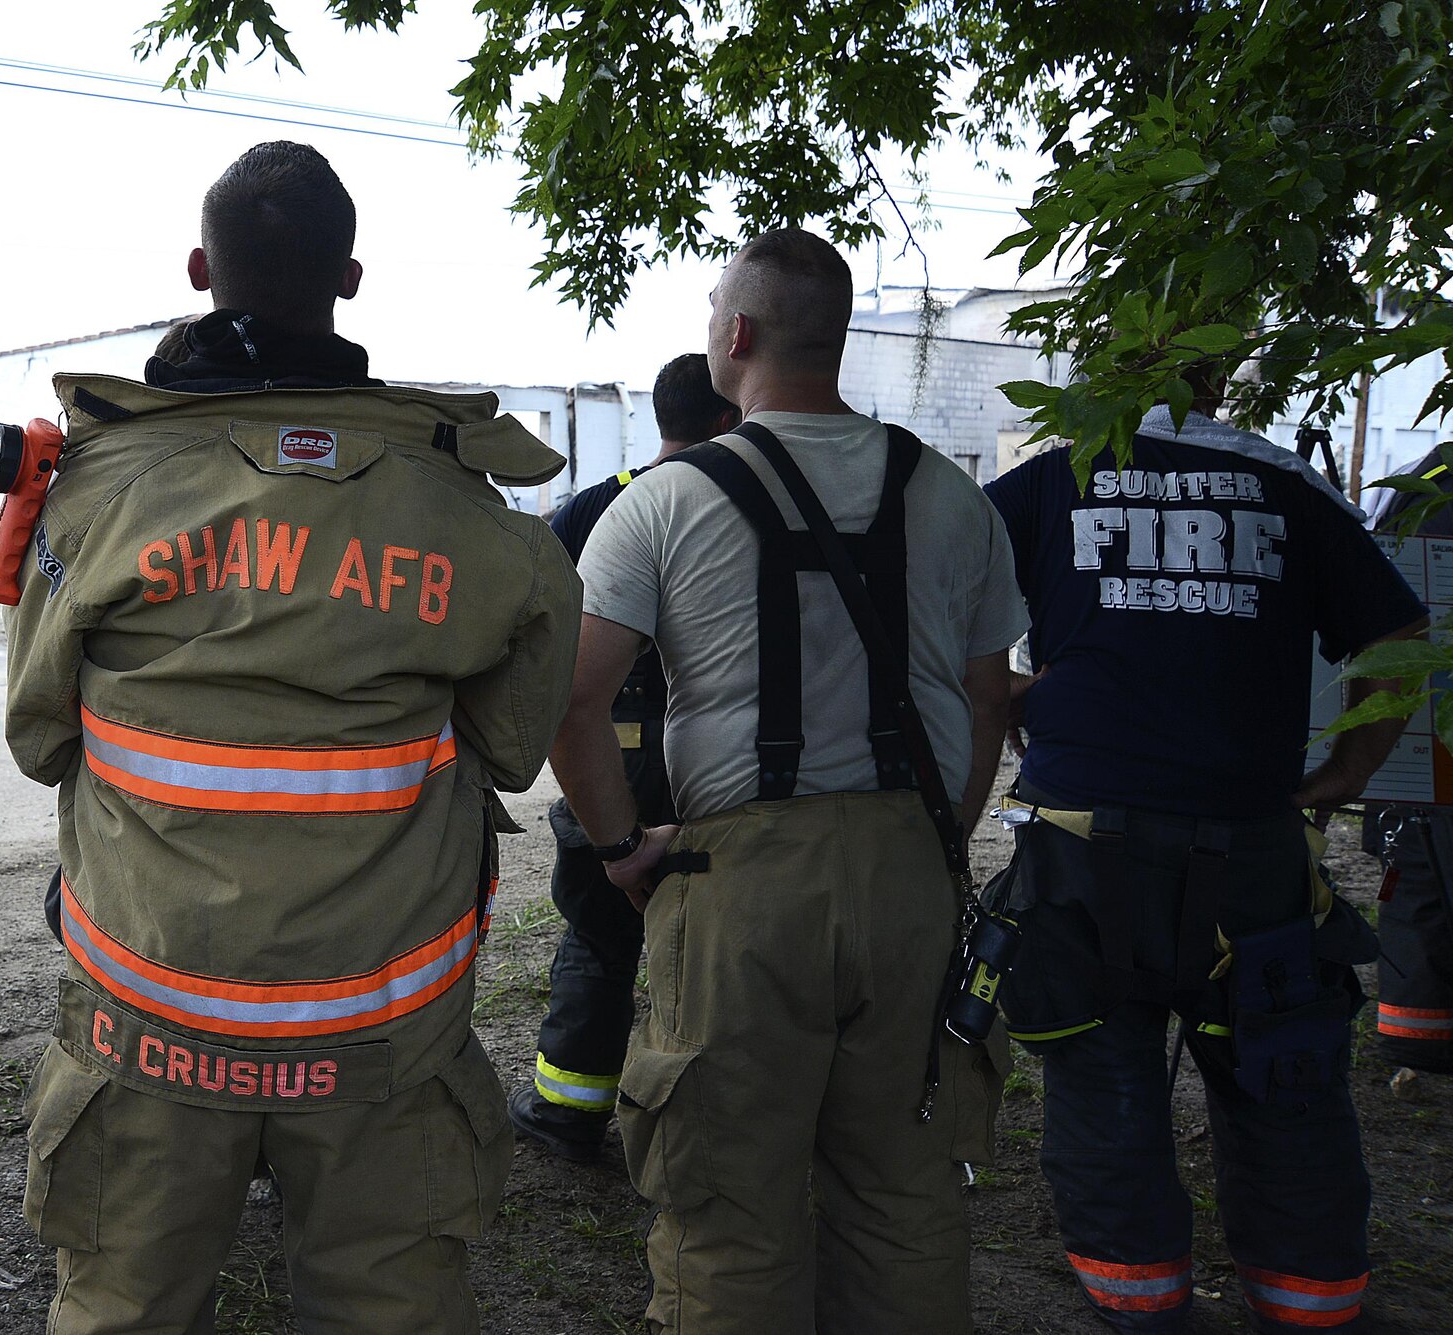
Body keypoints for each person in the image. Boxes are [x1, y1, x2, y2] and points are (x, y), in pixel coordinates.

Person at [3, 141, 581, 1335]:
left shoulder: (101, 489)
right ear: (350, 279)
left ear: (201, 267)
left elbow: (37, 733)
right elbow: (512, 744)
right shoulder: (469, 511)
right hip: (382, 1036)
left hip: (147, 1025)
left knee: (120, 1309)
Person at [548, 229, 1026, 1333]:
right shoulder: (950, 497)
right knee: (906, 1195)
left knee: (725, 1208)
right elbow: (988, 700)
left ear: (736, 335)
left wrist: (621, 850)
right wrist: (935, 841)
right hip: (912, 874)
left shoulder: (662, 502)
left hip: (738, 885)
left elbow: (573, 702)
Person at [984, 390, 1428, 1332]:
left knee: (1102, 1074)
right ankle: (1310, 1300)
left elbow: (931, 587)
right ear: (1217, 381)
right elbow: (1399, 634)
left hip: (1081, 845)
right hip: (1254, 852)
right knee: (1286, 1075)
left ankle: (1139, 1303)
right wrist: (1347, 768)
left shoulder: (1054, 477)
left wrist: (1014, 692)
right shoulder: (1286, 482)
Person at [507, 353, 736, 1161]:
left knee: (601, 936)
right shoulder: (737, 508)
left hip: (604, 751)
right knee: (718, 936)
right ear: (726, 420)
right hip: (705, 755)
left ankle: (567, 1113)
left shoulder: (592, 507)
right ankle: (705, 1121)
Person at [1358, 448, 1453, 1074]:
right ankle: (1416, 1041)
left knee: (1421, 874)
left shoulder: (1433, 475)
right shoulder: (1436, 477)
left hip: (1423, 728)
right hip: (1428, 726)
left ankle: (1417, 1044)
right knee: (1421, 870)